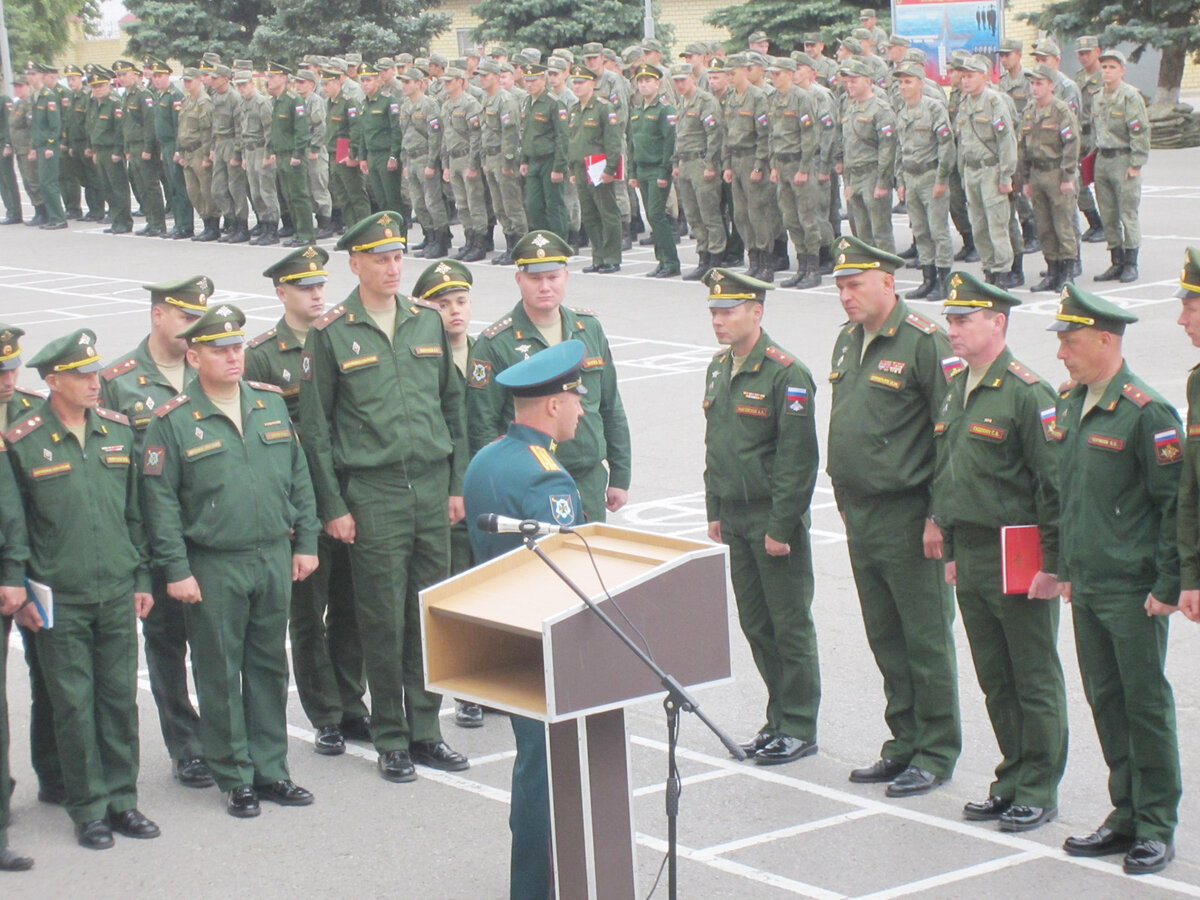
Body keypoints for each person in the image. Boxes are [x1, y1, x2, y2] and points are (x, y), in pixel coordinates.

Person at [298, 211, 469, 783]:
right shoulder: (332, 331)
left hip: (429, 486)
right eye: (379, 259)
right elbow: (317, 431)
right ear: (355, 264)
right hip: (371, 491)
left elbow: (453, 406)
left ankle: (427, 729)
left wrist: (454, 485)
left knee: (426, 615)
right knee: (381, 617)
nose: (392, 268)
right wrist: (333, 506)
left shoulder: (425, 322)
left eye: (397, 257)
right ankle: (391, 735)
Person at [139, 305, 319, 818]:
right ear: (194, 356)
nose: (234, 356)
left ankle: (272, 769)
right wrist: (176, 570)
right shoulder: (172, 422)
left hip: (271, 555)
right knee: (219, 668)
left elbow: (298, 476)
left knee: (267, 665)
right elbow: (161, 505)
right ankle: (235, 774)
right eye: (220, 350)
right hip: (214, 563)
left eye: (238, 347)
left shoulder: (268, 405)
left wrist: (305, 541)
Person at [7, 329, 159, 850]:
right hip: (60, 597)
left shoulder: (118, 432)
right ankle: (88, 807)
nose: (95, 383)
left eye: (96, 373)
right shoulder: (23, 441)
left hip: (116, 589)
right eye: (81, 376)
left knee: (119, 700)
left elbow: (135, 514)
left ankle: (123, 800)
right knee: (73, 704)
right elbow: (16, 527)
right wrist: (24, 591)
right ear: (52, 382)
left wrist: (141, 578)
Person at [1051, 285, 1182, 876]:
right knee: (1107, 701)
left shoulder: (1146, 411)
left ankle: (1156, 824)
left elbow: (1172, 505)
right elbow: (1069, 497)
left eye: (1071, 341)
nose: (1062, 353)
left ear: (1105, 339)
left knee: (1144, 703)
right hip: (1088, 585)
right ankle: (1124, 811)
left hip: (1134, 591)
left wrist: (1168, 583)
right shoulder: (1071, 403)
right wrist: (1067, 571)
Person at [930, 271, 1067, 832]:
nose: (953, 331)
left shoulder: (1027, 392)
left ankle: (1039, 786)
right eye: (951, 321)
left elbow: (1052, 487)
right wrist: (956, 549)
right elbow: (954, 475)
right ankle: (1011, 776)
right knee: (995, 676)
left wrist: (1054, 567)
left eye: (964, 321)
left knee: (1032, 675)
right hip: (976, 551)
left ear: (998, 323)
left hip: (1020, 552)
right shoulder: (958, 384)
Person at [826, 235, 961, 797]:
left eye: (854, 284)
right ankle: (902, 743)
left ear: (888, 281)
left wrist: (938, 517)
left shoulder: (924, 342)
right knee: (886, 636)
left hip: (909, 516)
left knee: (925, 639)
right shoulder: (847, 340)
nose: (844, 297)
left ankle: (935, 750)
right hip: (862, 514)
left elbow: (949, 436)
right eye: (839, 287)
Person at [462, 339, 587, 900]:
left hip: (500, 635)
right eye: (576, 399)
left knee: (532, 767)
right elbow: (565, 574)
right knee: (548, 775)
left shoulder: (488, 458)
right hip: (545, 646)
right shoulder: (548, 478)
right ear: (554, 404)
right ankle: (537, 888)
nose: (582, 410)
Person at [248, 247, 369, 754]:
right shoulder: (261, 354)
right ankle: (324, 713)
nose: (317, 295)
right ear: (281, 294)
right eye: (304, 288)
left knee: (351, 604)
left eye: (320, 285)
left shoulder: (340, 335)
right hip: (301, 500)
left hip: (347, 487)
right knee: (308, 610)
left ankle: (352, 702)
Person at [700, 266, 821, 764]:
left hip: (772, 519)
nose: (719, 321)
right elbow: (717, 445)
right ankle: (777, 718)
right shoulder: (719, 366)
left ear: (757, 312)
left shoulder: (785, 373)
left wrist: (782, 526)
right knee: (757, 624)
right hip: (735, 514)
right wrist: (714, 510)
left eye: (728, 311)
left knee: (789, 625)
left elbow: (798, 459)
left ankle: (799, 725)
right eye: (714, 312)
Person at [99, 276, 214, 789]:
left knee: (219, 643)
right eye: (186, 317)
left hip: (213, 531)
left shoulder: (210, 366)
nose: (194, 328)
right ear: (158, 315)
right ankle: (185, 744)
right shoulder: (120, 381)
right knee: (167, 644)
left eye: (200, 318)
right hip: (156, 536)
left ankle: (225, 736)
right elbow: (114, 472)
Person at [467, 230, 631, 522]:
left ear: (566, 277)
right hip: (529, 482)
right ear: (519, 280)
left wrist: (621, 473)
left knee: (588, 560)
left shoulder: (588, 329)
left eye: (553, 277)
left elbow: (610, 404)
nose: (544, 286)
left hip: (587, 477)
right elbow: (482, 425)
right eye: (534, 278)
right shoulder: (495, 342)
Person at [411, 257, 485, 728]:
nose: (454, 311)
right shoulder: (423, 357)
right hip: (445, 491)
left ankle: (484, 678)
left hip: (485, 487)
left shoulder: (486, 353)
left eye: (460, 301)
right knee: (450, 591)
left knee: (487, 589)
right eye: (442, 304)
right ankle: (460, 689)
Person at [953, 55, 1018, 287]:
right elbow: (962, 143)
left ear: (984, 77)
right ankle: (988, 269)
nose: (965, 81)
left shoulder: (994, 102)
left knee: (997, 224)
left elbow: (1006, 141)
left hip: (991, 170)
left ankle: (1002, 273)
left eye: (970, 76)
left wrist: (1006, 175)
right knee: (978, 224)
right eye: (963, 76)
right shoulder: (964, 103)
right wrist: (962, 174)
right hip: (972, 171)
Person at [895, 62, 954, 300]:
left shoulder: (934, 109)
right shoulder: (902, 112)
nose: (903, 86)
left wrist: (942, 178)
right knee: (920, 231)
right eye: (900, 82)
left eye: (908, 81)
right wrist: (899, 180)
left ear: (920, 83)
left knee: (938, 230)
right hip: (911, 177)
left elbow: (946, 146)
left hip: (931, 176)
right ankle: (927, 279)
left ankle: (943, 280)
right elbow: (899, 149)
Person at [1019, 65, 1080, 293]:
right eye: (1032, 83)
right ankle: (1052, 270)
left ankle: (1068, 272)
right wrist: (1025, 179)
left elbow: (1071, 145)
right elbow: (1023, 148)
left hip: (1056, 173)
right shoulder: (1029, 111)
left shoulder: (1061, 110)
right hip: (1037, 174)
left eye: (1039, 83)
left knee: (1062, 224)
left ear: (1051, 86)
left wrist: (1067, 176)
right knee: (1043, 226)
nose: (1034, 88)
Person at [1091, 50, 1149, 284]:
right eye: (1104, 67)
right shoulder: (1097, 96)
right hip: (1103, 160)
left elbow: (1140, 131)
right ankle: (1116, 261)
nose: (1107, 71)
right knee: (1108, 214)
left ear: (1122, 70)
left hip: (1123, 160)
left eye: (1112, 67)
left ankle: (1131, 263)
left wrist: (1136, 163)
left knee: (1127, 213)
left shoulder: (1130, 96)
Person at [722, 55, 775, 280]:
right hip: (736, 160)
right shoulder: (731, 98)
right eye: (728, 74)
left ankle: (766, 261)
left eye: (732, 73)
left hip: (753, 158)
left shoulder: (758, 97)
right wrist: (726, 165)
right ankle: (752, 257)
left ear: (745, 71)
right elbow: (726, 134)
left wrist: (759, 164)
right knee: (741, 214)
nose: (730, 78)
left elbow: (765, 135)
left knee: (758, 213)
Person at [670, 63, 724, 281]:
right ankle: (703, 255)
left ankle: (716, 257)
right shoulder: (682, 102)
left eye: (683, 79)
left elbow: (714, 134)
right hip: (685, 163)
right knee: (693, 214)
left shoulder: (705, 101)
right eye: (676, 80)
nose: (680, 84)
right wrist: (675, 163)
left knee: (709, 212)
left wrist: (711, 164)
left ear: (692, 78)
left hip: (701, 162)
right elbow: (680, 135)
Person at [837, 59, 897, 256]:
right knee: (862, 231)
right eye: (847, 81)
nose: (849, 85)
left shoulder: (880, 109)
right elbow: (848, 146)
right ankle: (868, 272)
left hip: (873, 174)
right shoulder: (850, 107)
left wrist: (883, 182)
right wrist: (847, 182)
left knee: (880, 231)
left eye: (854, 80)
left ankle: (886, 273)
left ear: (868, 81)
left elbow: (887, 149)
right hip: (854, 176)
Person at [568, 65, 622, 273]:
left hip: (598, 166)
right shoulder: (574, 110)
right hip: (581, 168)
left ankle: (611, 257)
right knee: (589, 214)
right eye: (575, 82)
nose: (577, 86)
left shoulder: (602, 108)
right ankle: (598, 256)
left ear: (592, 83)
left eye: (581, 82)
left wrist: (610, 169)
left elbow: (613, 141)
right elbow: (572, 142)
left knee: (607, 213)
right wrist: (572, 170)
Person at [629, 63, 680, 278]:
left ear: (657, 83)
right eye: (640, 81)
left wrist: (664, 171)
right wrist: (632, 172)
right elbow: (633, 142)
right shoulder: (638, 109)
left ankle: (671, 262)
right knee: (652, 216)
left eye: (648, 80)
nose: (643, 85)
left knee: (658, 215)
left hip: (657, 169)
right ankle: (661, 261)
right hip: (642, 169)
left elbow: (669, 142)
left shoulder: (664, 109)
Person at [265, 61, 315, 247]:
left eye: (273, 76)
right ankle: (297, 231)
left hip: (293, 155)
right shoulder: (276, 101)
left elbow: (301, 131)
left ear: (284, 78)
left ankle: (306, 233)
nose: (269, 81)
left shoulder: (294, 100)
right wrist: (271, 150)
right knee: (289, 195)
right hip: (281, 154)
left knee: (299, 195)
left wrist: (297, 153)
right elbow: (276, 131)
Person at [519, 64, 569, 240]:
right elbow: (526, 133)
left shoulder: (553, 103)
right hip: (533, 161)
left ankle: (560, 241)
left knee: (554, 204)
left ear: (543, 80)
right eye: (526, 79)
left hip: (550, 160)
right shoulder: (527, 102)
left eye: (533, 80)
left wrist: (559, 167)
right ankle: (543, 241)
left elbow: (562, 137)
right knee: (533, 205)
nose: (529, 84)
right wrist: (524, 160)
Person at [1179, 248, 1200, 627]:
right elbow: (1189, 490)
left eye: (1191, 308)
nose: (1181, 320)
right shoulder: (1197, 383)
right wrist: (1190, 577)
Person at [176, 67, 217, 241]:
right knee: (193, 191)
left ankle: (213, 226)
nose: (186, 84)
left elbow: (207, 131)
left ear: (199, 80)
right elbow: (182, 127)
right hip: (188, 152)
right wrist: (179, 150)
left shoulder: (204, 102)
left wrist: (208, 155)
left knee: (206, 190)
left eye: (189, 81)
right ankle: (205, 221)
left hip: (200, 150)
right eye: (184, 81)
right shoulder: (186, 101)